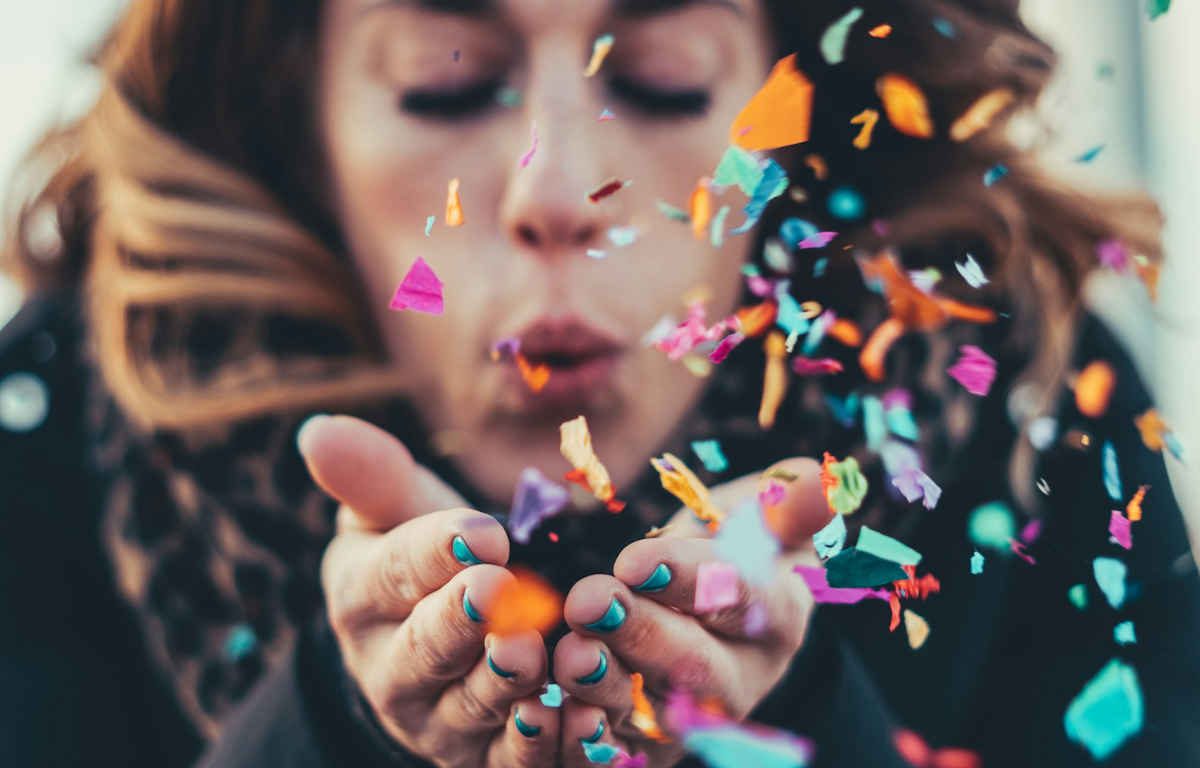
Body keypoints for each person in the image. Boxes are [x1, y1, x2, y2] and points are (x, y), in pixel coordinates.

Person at [1, 0, 1196, 766]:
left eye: (667, 77)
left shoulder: (1039, 409)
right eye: (444, 79)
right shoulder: (59, 436)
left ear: (794, 111)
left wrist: (799, 726)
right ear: (299, 121)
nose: (557, 191)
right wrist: (328, 730)